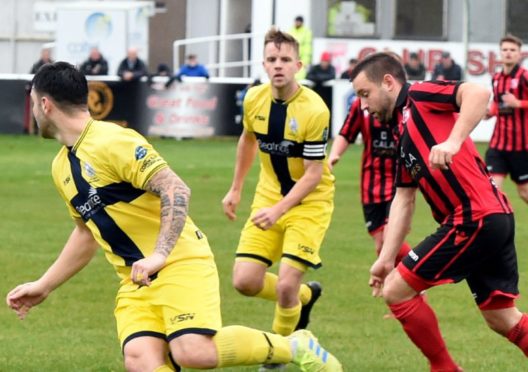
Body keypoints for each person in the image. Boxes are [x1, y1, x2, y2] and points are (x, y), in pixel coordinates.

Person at [6, 62, 343, 372]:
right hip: (136, 279)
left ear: (46, 105)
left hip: (179, 262)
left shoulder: (112, 141)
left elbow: (176, 190)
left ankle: (294, 345)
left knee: (192, 351)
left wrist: (159, 255)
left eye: (34, 103)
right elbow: (85, 233)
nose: (34, 111)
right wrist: (44, 285)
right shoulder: (60, 166)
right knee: (140, 358)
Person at [350, 52, 528, 371]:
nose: (363, 105)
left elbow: (478, 92)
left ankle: (444, 368)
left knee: (397, 292)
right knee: (502, 318)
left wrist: (454, 141)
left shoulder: (418, 95)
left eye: (365, 93)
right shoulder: (403, 136)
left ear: (388, 83)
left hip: (474, 219)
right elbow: (403, 200)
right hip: (491, 218)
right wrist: (385, 259)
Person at [222, 27, 335, 363]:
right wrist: (236, 188)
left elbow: (313, 175)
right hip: (268, 197)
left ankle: (278, 356)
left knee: (284, 286)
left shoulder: (314, 110)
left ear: (298, 64)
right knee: (244, 281)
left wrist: (280, 209)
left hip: (309, 203)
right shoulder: (254, 98)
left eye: (285, 59)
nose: (278, 65)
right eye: (272, 59)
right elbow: (247, 140)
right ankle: (304, 296)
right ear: (264, 63)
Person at [328, 98, 411, 267]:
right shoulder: (360, 105)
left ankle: (417, 277)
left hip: (400, 183)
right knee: (381, 245)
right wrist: (333, 156)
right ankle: (403, 287)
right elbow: (346, 133)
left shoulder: (404, 103)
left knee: (390, 239)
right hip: (371, 185)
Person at [485, 34, 528, 204]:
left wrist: (519, 103)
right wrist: (490, 112)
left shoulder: (524, 76)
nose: (508, 53)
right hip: (498, 146)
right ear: (500, 53)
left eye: (512, 50)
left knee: (524, 193)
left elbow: (515, 103)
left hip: (521, 148)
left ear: (519, 54)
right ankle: (499, 226)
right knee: (492, 190)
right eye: (505, 50)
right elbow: (498, 103)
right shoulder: (496, 78)